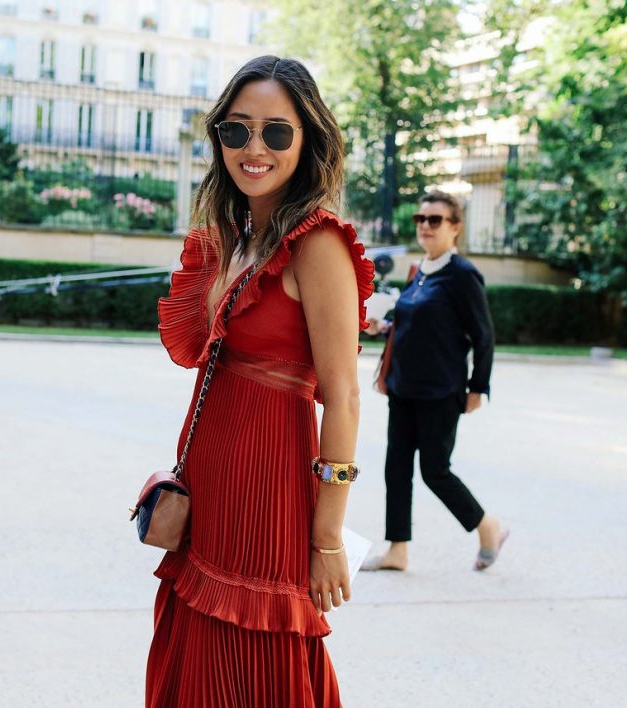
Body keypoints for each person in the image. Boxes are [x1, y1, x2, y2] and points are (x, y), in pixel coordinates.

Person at [147, 56, 375, 707]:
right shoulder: (239, 235)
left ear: (307, 140)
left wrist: (327, 537)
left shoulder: (317, 244)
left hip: (272, 486)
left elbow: (345, 397)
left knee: (259, 653)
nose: (254, 148)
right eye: (236, 130)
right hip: (214, 486)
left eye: (277, 132)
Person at [363, 190, 508, 573]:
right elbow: (418, 323)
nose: (425, 226)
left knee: (435, 471)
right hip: (403, 387)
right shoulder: (419, 272)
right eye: (420, 219)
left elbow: (484, 336)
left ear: (455, 227)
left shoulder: (461, 275)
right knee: (396, 468)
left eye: (435, 220)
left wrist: (478, 387)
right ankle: (397, 550)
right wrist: (385, 325)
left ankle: (486, 525)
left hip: (440, 392)